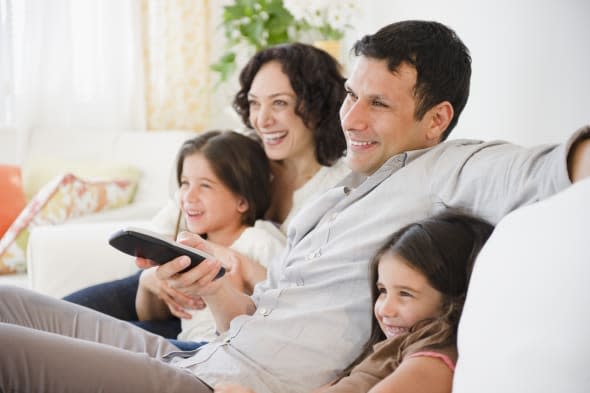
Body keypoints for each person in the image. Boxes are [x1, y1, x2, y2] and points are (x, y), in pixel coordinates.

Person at [1, 20, 589, 393]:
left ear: (437, 119)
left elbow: (551, 166)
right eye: (352, 96)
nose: (352, 118)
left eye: (378, 104)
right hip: (206, 352)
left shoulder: (455, 168)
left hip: (230, 385)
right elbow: (261, 321)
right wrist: (214, 287)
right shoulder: (339, 191)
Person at [62, 42, 350, 339]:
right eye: (254, 103)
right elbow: (170, 222)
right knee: (52, 318)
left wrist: (230, 262)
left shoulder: (334, 189)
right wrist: (154, 277)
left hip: (231, 318)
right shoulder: (241, 154)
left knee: (75, 342)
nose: (261, 120)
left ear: (317, 108)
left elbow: (302, 292)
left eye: (279, 103)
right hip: (174, 285)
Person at [214, 212, 494, 393]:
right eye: (383, 290)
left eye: (405, 294)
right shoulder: (391, 349)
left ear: (453, 297)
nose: (385, 309)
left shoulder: (434, 355)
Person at [134, 130, 285, 350]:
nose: (188, 197)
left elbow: (289, 307)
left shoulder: (259, 241)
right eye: (185, 183)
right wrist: (146, 284)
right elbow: (150, 319)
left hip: (217, 352)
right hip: (185, 345)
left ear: (242, 201)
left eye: (205, 185)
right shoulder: (186, 250)